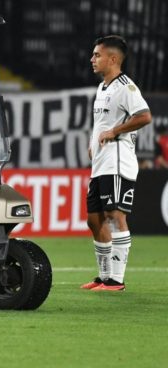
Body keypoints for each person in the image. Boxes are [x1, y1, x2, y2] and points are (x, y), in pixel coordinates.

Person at [82, 35, 152, 292]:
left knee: (115, 215)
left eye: (97, 55)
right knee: (94, 220)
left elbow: (144, 116)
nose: (92, 59)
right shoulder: (102, 88)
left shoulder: (126, 87)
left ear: (112, 59)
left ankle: (116, 280)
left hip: (118, 162)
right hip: (101, 163)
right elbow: (102, 124)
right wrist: (93, 142)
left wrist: (115, 131)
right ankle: (103, 277)